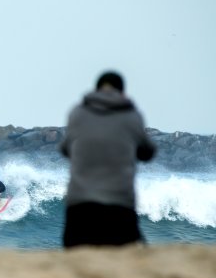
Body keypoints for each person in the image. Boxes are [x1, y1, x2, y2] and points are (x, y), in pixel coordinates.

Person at [59, 70, 156, 248]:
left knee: (76, 262)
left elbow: (65, 149)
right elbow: (148, 153)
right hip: (119, 207)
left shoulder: (77, 113)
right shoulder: (132, 116)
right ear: (123, 92)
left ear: (96, 90)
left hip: (80, 207)